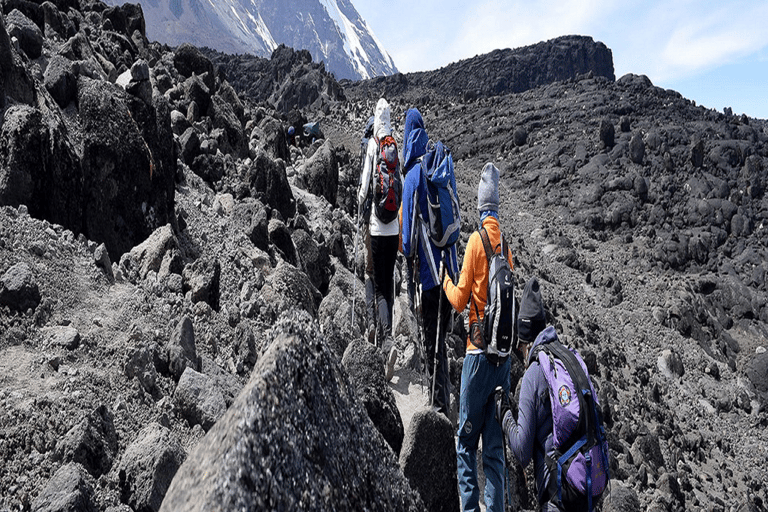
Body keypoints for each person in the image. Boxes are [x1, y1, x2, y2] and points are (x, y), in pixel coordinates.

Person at [442, 162, 513, 512]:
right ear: (497, 207)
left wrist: (444, 280)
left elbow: (459, 299)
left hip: (477, 357)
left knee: (465, 443)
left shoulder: (474, 242)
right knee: (495, 451)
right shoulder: (507, 247)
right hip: (504, 363)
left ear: (480, 206)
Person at [401, 108, 458, 412]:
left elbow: (409, 238)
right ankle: (444, 400)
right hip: (451, 271)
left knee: (432, 343)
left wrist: (409, 264)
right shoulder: (441, 167)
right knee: (443, 342)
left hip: (430, 275)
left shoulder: (412, 176)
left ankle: (438, 412)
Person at [495, 277, 567, 511]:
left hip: (558, 491)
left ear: (525, 341)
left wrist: (505, 414)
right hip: (584, 480)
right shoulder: (567, 358)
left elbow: (523, 452)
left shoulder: (534, 374)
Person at [357, 98, 399, 376]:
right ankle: (387, 340)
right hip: (394, 230)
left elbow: (364, 186)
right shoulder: (395, 148)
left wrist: (359, 205)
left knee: (378, 285)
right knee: (388, 285)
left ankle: (385, 344)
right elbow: (403, 186)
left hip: (376, 229)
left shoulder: (373, 146)